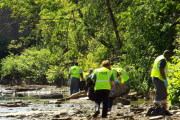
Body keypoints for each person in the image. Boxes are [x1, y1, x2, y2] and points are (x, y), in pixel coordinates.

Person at [151, 50, 172, 115]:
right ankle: (156, 111)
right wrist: (165, 79)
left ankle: (164, 110)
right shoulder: (163, 60)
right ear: (167, 55)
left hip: (158, 78)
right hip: (159, 79)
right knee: (159, 94)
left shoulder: (159, 57)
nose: (169, 58)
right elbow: (161, 69)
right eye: (169, 56)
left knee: (164, 94)